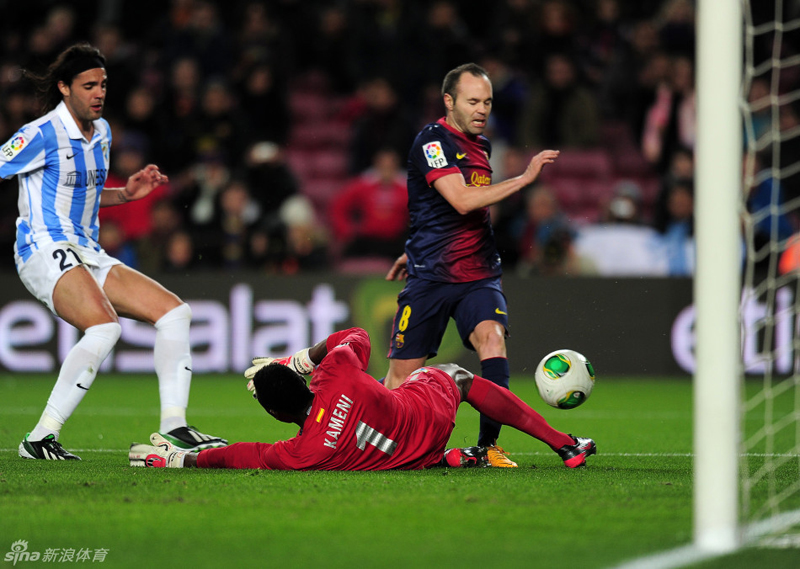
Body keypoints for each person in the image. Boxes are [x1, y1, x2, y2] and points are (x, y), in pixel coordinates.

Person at [0, 43, 227, 461]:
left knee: (176, 313)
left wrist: (126, 194)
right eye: (89, 85)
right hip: (43, 246)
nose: (99, 93)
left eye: (103, 84)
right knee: (104, 327)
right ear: (65, 88)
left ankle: (174, 428)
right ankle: (40, 437)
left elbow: (82, 194)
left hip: (87, 249)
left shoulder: (102, 133)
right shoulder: (39, 133)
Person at [383, 62, 560, 468]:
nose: (482, 109)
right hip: (431, 277)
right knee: (400, 380)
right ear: (449, 101)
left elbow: (448, 212)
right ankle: (362, 430)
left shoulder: (482, 145)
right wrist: (524, 178)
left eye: (488, 102)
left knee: (492, 339)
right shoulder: (432, 142)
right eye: (473, 101)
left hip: (479, 272)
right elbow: (461, 200)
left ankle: (486, 448)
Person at [129, 327, 596, 471]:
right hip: (426, 419)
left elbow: (241, 455)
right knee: (454, 375)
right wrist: (302, 359)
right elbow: (354, 336)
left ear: (275, 413)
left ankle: (447, 459)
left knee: (380, 446)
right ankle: (564, 444)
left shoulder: (301, 452)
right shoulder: (335, 373)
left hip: (411, 456)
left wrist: (182, 462)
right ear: (304, 380)